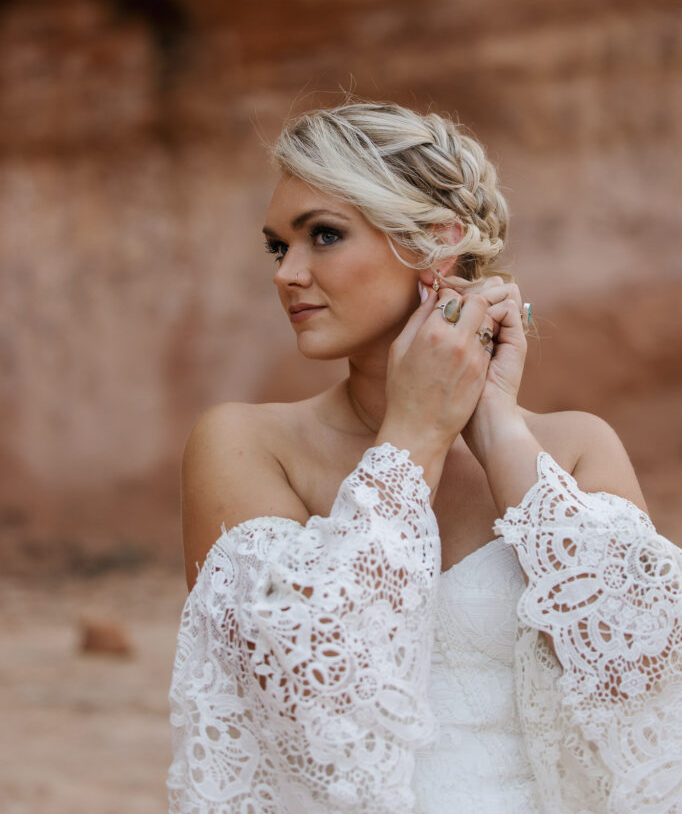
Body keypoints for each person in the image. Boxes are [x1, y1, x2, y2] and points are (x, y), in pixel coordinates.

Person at [167, 102, 682, 814]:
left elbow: (643, 687)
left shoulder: (578, 447)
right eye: (277, 246)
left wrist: (499, 431)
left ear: (436, 244)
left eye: (323, 236)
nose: (288, 273)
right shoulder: (244, 445)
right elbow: (301, 695)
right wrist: (411, 440)